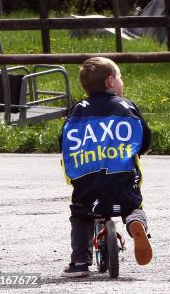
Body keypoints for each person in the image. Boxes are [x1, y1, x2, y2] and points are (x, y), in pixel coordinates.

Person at [59, 57, 153, 277]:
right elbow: (145, 136)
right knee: (132, 205)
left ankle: (80, 263)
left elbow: (64, 142)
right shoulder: (126, 106)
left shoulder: (77, 110)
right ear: (111, 81)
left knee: (81, 213)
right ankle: (135, 222)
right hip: (120, 177)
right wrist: (139, 150)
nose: (121, 81)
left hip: (87, 180)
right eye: (119, 77)